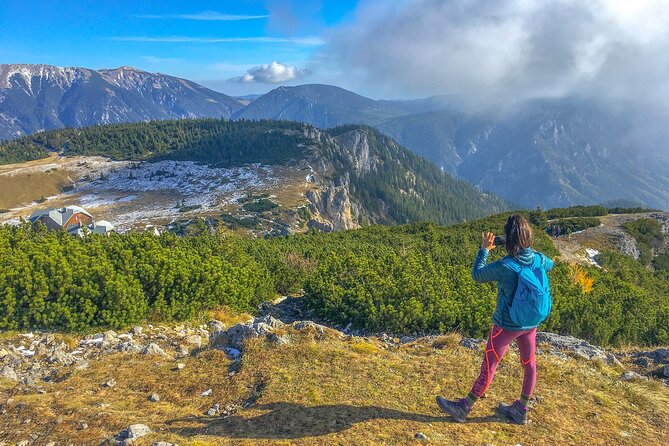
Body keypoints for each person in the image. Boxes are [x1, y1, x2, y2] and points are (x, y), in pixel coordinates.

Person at [436, 214, 554, 425]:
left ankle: (464, 408)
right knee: (529, 364)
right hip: (530, 325)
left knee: (490, 366)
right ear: (527, 236)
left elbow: (477, 275)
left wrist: (485, 249)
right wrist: (532, 252)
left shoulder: (506, 266)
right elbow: (551, 264)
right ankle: (521, 410)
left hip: (506, 326)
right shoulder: (539, 259)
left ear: (508, 239)